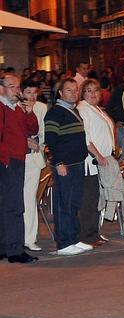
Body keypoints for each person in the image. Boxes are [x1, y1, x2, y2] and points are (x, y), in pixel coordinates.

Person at [44, 78, 93, 256]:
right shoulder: (55, 113)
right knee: (63, 203)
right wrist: (58, 162)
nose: (73, 93)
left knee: (74, 203)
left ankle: (73, 238)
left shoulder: (73, 111)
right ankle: (64, 243)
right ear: (61, 93)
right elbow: (51, 140)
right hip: (65, 165)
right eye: (69, 90)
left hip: (77, 163)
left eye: (75, 90)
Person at [0, 74, 39, 263]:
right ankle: (15, 250)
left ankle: (6, 247)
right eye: (11, 86)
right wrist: (5, 158)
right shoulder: (2, 108)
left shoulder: (16, 109)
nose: (16, 90)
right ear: (1, 89)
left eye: (17, 86)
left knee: (9, 204)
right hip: (8, 161)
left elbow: (32, 129)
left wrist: (29, 111)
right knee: (14, 204)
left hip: (16, 160)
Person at [76, 79, 116, 246]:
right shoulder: (83, 109)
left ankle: (93, 232)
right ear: (83, 94)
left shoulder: (96, 108)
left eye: (95, 90)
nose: (92, 94)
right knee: (89, 199)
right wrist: (98, 155)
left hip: (102, 159)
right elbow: (86, 137)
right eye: (88, 90)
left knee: (96, 198)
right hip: (90, 161)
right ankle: (86, 235)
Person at [21, 79, 47, 252]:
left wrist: (40, 145)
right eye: (28, 92)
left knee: (30, 199)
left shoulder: (41, 108)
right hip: (16, 157)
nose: (32, 96)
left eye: (34, 92)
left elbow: (43, 132)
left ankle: (29, 237)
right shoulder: (14, 107)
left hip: (34, 157)